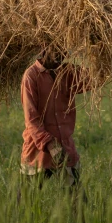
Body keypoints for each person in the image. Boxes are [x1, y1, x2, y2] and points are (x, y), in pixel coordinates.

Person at [19, 47, 91, 188]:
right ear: (44, 49)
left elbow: (93, 78)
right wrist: (51, 145)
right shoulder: (31, 76)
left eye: (64, 52)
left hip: (65, 150)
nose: (61, 56)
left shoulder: (67, 72)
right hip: (38, 153)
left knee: (77, 203)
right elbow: (31, 119)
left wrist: (107, 60)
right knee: (27, 204)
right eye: (56, 52)